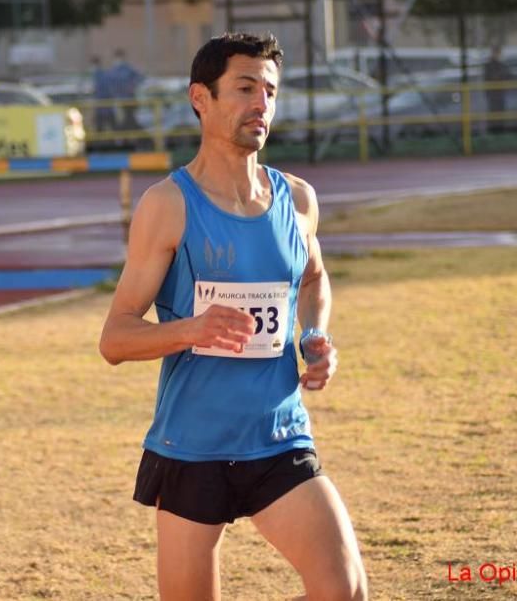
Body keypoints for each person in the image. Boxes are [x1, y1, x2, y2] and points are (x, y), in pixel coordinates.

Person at [98, 32, 369, 601]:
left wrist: (314, 334)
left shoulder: (297, 200)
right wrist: (192, 329)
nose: (261, 104)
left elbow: (314, 278)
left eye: (270, 91)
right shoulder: (168, 206)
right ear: (202, 98)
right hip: (192, 448)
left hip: (279, 440)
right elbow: (115, 337)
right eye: (245, 88)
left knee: (344, 590)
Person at [107, 48, 145, 132]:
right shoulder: (113, 71)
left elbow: (140, 77)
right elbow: (109, 84)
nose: (118, 60)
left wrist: (132, 86)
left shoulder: (128, 69)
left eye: (120, 57)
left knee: (128, 118)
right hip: (118, 100)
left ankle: (126, 136)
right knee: (125, 120)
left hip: (129, 99)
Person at [483, 45, 509, 133]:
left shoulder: (502, 65)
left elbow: (507, 76)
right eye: (495, 52)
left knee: (501, 114)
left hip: (500, 94)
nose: (497, 54)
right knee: (493, 114)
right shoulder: (488, 65)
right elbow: (489, 77)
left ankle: (501, 131)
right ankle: (492, 131)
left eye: (498, 52)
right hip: (492, 94)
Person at [90, 55, 118, 136]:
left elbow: (102, 92)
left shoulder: (99, 75)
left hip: (103, 107)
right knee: (109, 127)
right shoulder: (100, 74)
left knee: (102, 128)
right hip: (106, 108)